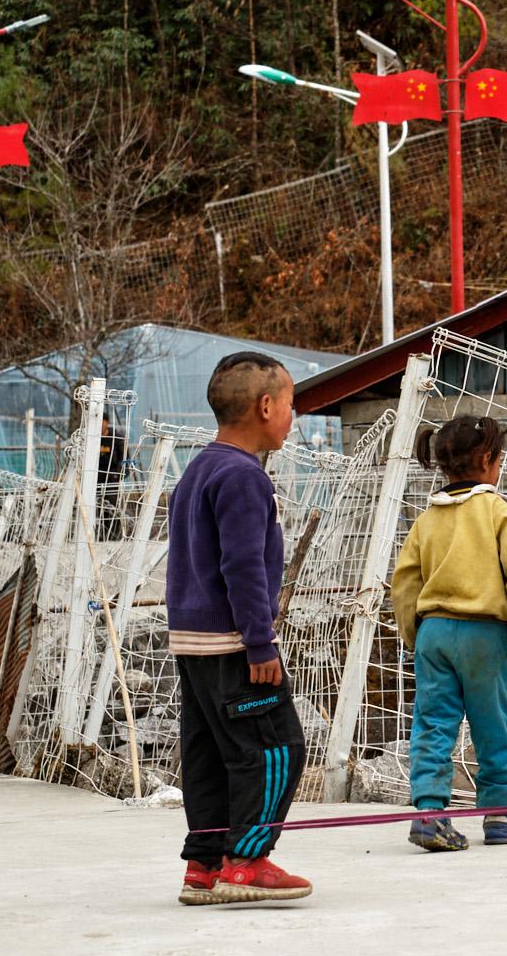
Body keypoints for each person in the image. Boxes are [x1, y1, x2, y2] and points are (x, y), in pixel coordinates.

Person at [166, 351, 311, 904]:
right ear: (265, 405)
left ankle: (203, 865)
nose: (292, 418)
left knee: (210, 753)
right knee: (276, 748)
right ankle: (248, 860)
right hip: (234, 644)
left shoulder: (200, 467)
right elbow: (242, 566)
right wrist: (260, 641)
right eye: (291, 405)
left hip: (193, 643)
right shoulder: (243, 477)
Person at [389, 414, 507, 851]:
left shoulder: (426, 520)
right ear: (488, 460)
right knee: (492, 724)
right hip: (485, 634)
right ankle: (497, 815)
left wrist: (412, 636)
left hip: (433, 634)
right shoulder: (498, 509)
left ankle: (429, 812)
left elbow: (405, 583)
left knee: (433, 724)